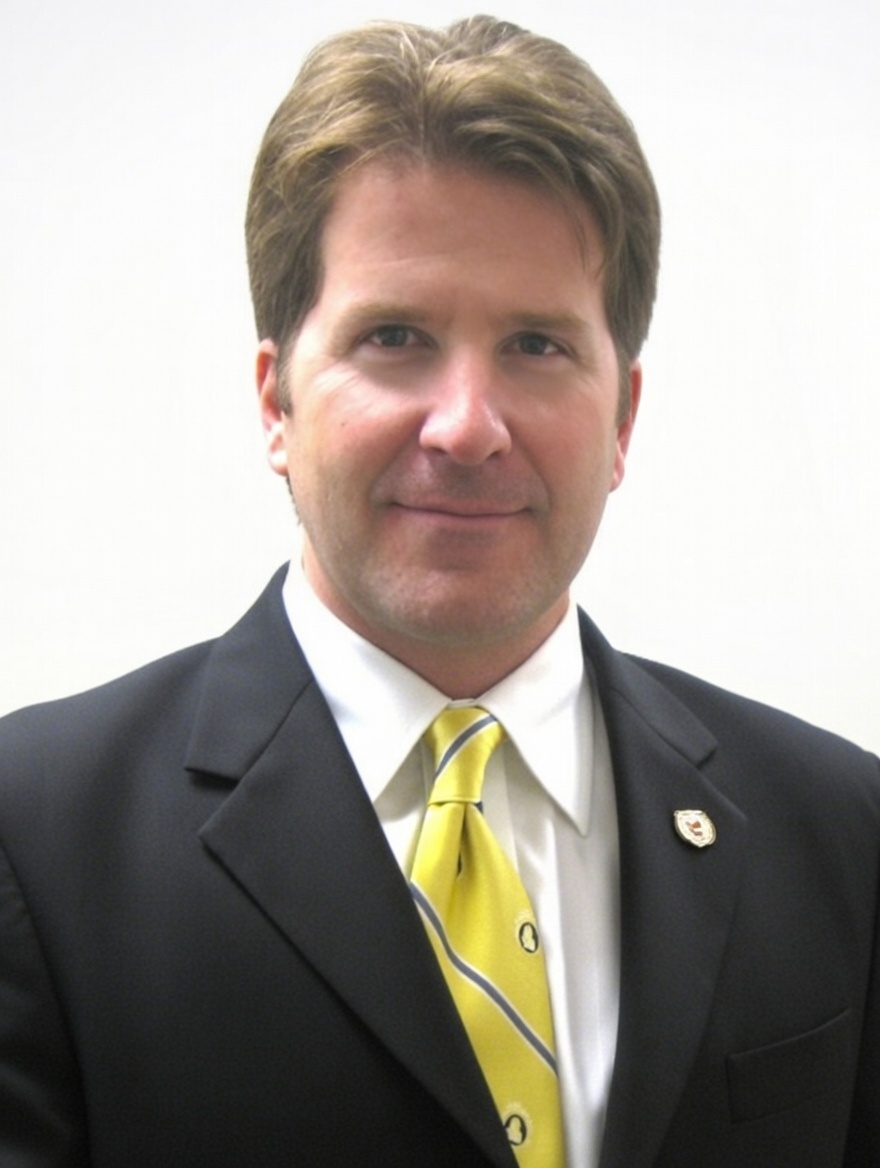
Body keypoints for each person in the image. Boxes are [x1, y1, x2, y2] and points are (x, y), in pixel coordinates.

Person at [0, 15, 877, 1168]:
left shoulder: (839, 830)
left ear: (621, 418)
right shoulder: (34, 840)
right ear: (277, 403)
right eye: (396, 335)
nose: (467, 426)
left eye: (537, 346)